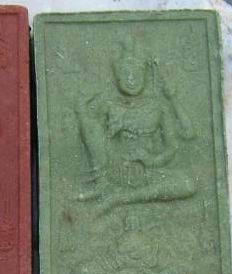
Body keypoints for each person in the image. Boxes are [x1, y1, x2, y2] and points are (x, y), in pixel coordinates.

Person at [75, 36, 196, 215]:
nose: (131, 79)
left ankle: (119, 198)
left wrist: (152, 160)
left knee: (187, 184)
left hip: (148, 171)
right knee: (89, 123)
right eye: (125, 74)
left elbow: (176, 143)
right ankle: (102, 185)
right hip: (115, 168)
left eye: (136, 74)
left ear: (145, 76)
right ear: (117, 78)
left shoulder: (158, 106)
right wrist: (109, 132)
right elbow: (93, 137)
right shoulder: (108, 105)